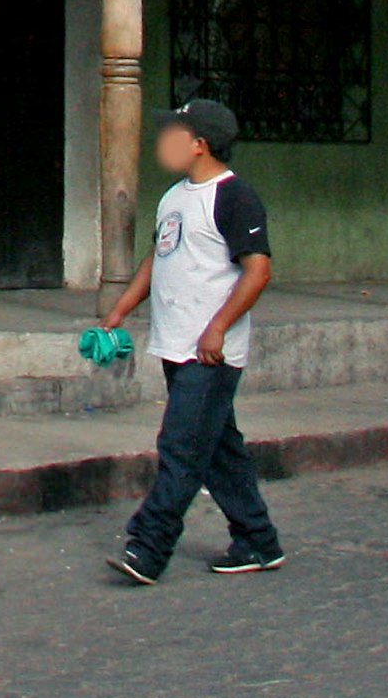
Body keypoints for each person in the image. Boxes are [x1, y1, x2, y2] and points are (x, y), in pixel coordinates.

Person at [98, 99, 283, 584]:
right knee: (219, 450)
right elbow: (157, 260)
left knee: (181, 446)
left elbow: (257, 270)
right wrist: (120, 311)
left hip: (210, 353)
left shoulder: (235, 196)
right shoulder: (174, 197)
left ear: (199, 145)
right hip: (175, 344)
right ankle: (258, 541)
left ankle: (148, 547)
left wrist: (218, 327)